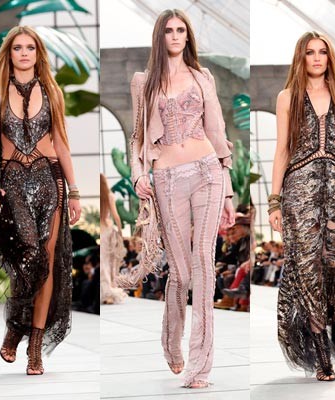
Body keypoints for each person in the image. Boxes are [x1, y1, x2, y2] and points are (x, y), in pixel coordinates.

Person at [129, 9, 235, 388]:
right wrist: (138, 173)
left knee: (204, 264)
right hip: (167, 177)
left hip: (208, 171)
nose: (175, 36)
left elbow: (217, 130)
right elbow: (137, 137)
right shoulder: (143, 82)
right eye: (169, 31)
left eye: (181, 30)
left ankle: (200, 366)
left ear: (188, 36)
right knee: (182, 271)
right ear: (159, 37)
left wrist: (229, 191)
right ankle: (171, 341)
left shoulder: (203, 76)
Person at [0, 26, 81, 376]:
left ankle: (34, 348)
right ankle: (16, 325)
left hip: (50, 181)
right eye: (18, 48)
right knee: (28, 257)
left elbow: (62, 143)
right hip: (12, 183)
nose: (24, 53)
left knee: (47, 260)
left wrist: (75, 191)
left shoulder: (52, 91)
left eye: (30, 48)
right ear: (9, 53)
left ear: (38, 53)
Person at [268, 31, 335, 382]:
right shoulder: (288, 97)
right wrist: (274, 201)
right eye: (310, 52)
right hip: (299, 191)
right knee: (307, 269)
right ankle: (322, 352)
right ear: (301, 57)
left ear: (330, 57)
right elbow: (282, 149)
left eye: (323, 52)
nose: (317, 58)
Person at [100, 173, 127, 305]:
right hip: (108, 230)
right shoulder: (109, 196)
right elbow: (116, 216)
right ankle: (109, 291)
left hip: (100, 230)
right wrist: (120, 232)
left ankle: (104, 293)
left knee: (102, 262)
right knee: (109, 262)